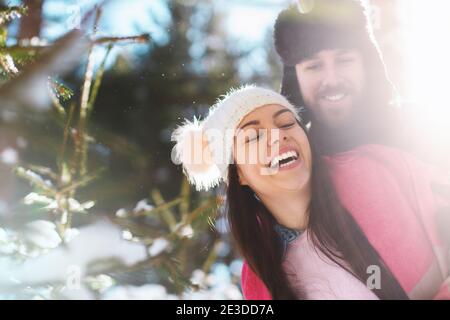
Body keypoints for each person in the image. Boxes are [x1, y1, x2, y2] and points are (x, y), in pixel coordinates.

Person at [171, 85, 449, 299]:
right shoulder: (262, 277)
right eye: (254, 136)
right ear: (238, 174)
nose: (278, 135)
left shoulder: (373, 168)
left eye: (286, 123)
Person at [274, 0, 405, 156]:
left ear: (367, 65)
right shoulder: (290, 162)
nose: (332, 80)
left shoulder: (423, 132)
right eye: (314, 66)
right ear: (295, 79)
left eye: (344, 61)